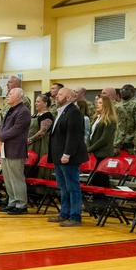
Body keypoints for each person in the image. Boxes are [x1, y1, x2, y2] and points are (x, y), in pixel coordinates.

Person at [48, 87, 90, 227]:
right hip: (59, 156)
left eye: (60, 94)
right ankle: (64, 213)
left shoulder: (74, 113)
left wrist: (67, 154)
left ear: (69, 98)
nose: (57, 96)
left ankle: (75, 216)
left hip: (69, 157)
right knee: (63, 187)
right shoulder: (61, 111)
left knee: (72, 187)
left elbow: (74, 136)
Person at [0, 88, 31, 214]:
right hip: (5, 147)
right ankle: (12, 201)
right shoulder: (11, 110)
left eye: (10, 94)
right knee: (8, 177)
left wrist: (0, 137)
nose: (7, 96)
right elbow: (3, 127)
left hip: (15, 148)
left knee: (16, 177)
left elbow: (17, 129)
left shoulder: (23, 111)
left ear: (18, 97)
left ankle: (21, 204)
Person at [87, 95, 118, 188]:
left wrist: (89, 149)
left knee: (101, 178)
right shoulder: (96, 118)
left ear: (106, 105)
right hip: (94, 152)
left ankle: (103, 196)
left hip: (103, 153)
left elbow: (104, 139)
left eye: (100, 103)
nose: (97, 104)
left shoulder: (110, 120)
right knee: (94, 179)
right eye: (97, 102)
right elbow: (90, 134)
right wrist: (88, 147)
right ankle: (96, 196)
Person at [27, 94, 53, 181]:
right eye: (36, 101)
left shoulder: (47, 116)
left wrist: (30, 140)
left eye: (38, 102)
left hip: (40, 145)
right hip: (30, 145)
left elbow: (42, 132)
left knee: (38, 168)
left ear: (45, 103)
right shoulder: (34, 115)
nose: (35, 103)